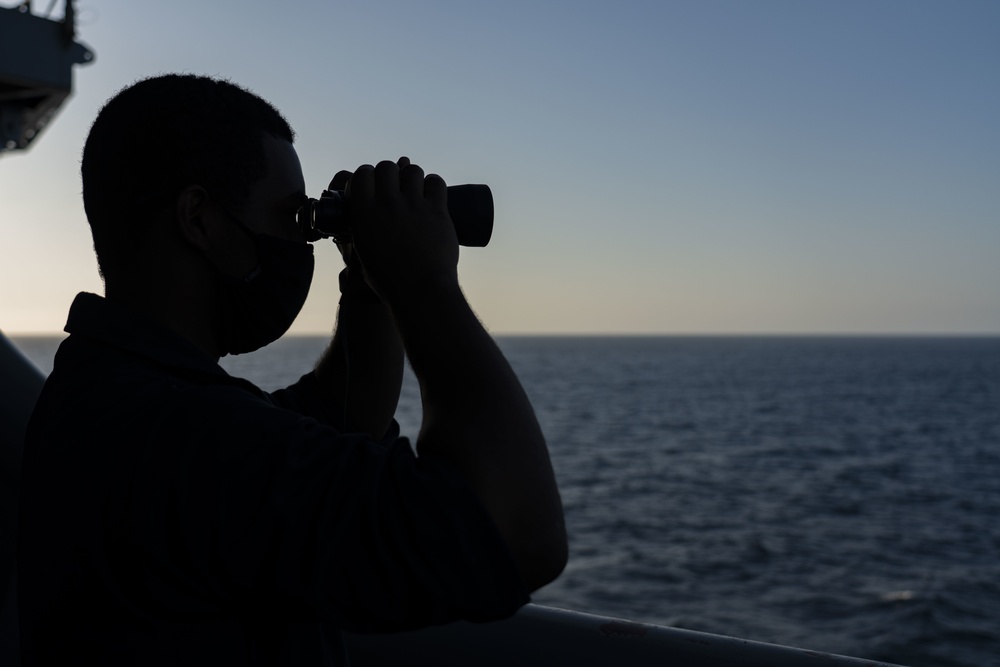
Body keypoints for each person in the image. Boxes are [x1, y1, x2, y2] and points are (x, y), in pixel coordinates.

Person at [17, 74, 566, 666]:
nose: (302, 244)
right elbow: (513, 533)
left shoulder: (112, 394)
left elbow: (341, 422)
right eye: (293, 220)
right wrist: (422, 283)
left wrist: (368, 283)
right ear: (199, 219)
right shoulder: (180, 436)